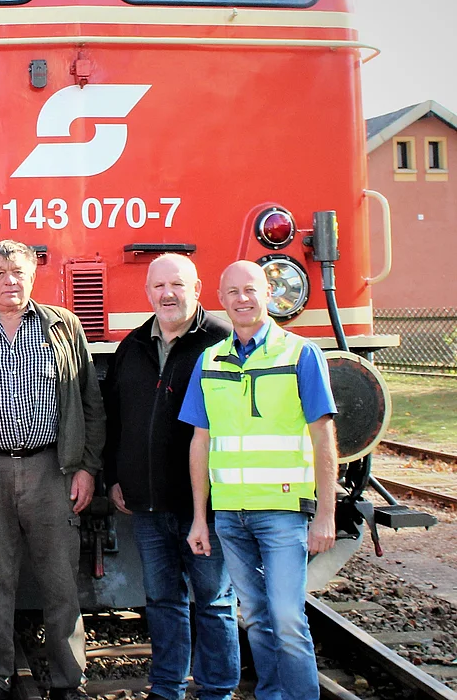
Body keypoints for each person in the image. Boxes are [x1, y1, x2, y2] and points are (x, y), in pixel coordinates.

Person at [0, 240, 104, 700]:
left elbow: (90, 404)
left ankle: (69, 681)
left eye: (17, 272)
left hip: (51, 470)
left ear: (32, 276)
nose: (9, 281)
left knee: (60, 581)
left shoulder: (64, 327)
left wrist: (86, 468)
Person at [183, 260, 339, 700]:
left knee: (288, 617)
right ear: (220, 299)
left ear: (268, 294)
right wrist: (201, 517)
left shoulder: (300, 353)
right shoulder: (210, 360)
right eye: (232, 292)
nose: (242, 299)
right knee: (253, 614)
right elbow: (200, 440)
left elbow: (324, 436)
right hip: (231, 514)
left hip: (284, 511)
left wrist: (326, 514)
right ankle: (273, 694)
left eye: (250, 290)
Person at [102, 254, 238, 700]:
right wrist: (114, 477)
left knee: (215, 604)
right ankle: (167, 688)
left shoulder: (222, 341)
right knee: (162, 602)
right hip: (148, 503)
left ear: (196, 288)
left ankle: (217, 690)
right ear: (147, 292)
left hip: (207, 504)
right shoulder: (134, 346)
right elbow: (115, 419)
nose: (168, 294)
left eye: (177, 285)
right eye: (159, 286)